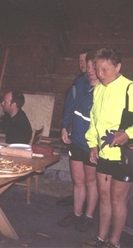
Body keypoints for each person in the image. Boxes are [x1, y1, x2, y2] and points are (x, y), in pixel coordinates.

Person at [84, 48, 133, 248]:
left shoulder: (130, 88)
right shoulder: (98, 89)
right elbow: (94, 121)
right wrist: (92, 144)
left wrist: (128, 134)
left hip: (124, 155)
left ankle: (114, 241)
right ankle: (101, 237)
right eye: (97, 69)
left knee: (117, 199)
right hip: (103, 152)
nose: (100, 74)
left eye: (105, 70)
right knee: (104, 197)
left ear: (118, 67)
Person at [58, 50, 99, 232]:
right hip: (76, 140)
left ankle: (88, 216)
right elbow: (69, 107)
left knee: (91, 181)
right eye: (87, 66)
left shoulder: (104, 89)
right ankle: (76, 214)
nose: (89, 69)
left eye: (92, 66)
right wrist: (65, 126)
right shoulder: (79, 83)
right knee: (78, 181)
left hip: (92, 145)